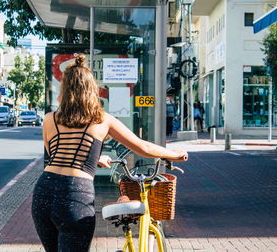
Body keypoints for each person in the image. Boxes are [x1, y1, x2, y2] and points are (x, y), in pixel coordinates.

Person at [31, 54, 188, 252]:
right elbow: (143, 148)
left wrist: (94, 158)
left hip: (43, 192)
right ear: (92, 90)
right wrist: (174, 154)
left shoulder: (49, 119)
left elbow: (59, 155)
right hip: (75, 195)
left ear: (65, 88)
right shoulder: (102, 120)